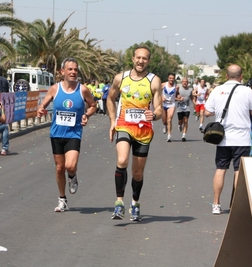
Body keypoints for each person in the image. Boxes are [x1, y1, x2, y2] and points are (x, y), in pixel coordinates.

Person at [107, 46, 162, 221]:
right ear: (132, 59)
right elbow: (110, 98)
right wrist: (112, 121)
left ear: (148, 61)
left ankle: (135, 204)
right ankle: (119, 204)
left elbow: (160, 108)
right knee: (122, 160)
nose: (141, 61)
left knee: (138, 172)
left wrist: (154, 114)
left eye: (144, 58)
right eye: (138, 58)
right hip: (124, 125)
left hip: (144, 130)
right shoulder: (120, 78)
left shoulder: (154, 81)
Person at [37, 57, 97, 212]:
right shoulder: (55, 89)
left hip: (73, 133)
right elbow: (44, 103)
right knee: (59, 168)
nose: (73, 72)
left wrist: (87, 115)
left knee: (70, 166)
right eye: (70, 69)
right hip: (57, 133)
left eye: (75, 69)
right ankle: (62, 199)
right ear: (62, 71)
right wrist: (41, 108)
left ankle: (72, 176)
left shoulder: (82, 90)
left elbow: (93, 105)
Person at [204, 64, 252, 215]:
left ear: (227, 76)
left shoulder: (217, 90)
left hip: (222, 139)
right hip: (242, 139)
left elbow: (207, 111)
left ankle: (216, 204)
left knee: (220, 169)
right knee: (238, 172)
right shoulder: (247, 91)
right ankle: (236, 205)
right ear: (241, 77)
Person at [161, 73, 181, 142]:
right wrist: (162, 97)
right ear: (168, 78)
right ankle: (165, 125)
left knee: (169, 120)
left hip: (171, 104)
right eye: (170, 78)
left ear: (174, 79)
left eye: (173, 78)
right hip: (164, 104)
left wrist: (179, 96)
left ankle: (169, 135)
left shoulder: (176, 86)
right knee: (164, 120)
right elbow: (156, 92)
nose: (171, 79)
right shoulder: (163, 85)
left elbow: (177, 93)